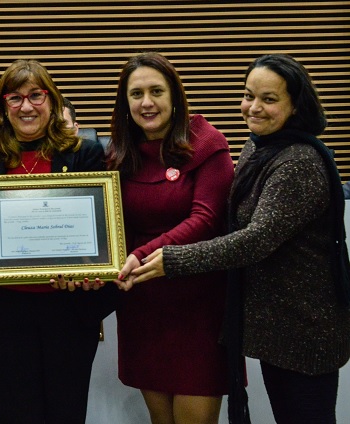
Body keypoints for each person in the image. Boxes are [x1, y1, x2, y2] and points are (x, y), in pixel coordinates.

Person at [125, 53, 350, 424]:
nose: (253, 107)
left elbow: (254, 240)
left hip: (306, 330)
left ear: (296, 106)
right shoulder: (260, 147)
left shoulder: (298, 161)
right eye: (248, 95)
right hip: (278, 327)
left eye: (269, 99)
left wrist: (172, 259)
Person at [0, 59, 116, 424]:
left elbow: (100, 228)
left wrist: (93, 268)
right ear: (2, 107)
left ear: (51, 100)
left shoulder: (84, 153)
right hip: (8, 312)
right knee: (17, 413)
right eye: (14, 98)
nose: (26, 106)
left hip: (69, 310)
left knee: (67, 410)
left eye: (35, 96)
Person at [107, 52, 234, 424]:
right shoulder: (118, 154)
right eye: (136, 94)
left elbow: (206, 219)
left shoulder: (207, 143)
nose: (146, 102)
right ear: (125, 102)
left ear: (175, 95)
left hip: (198, 308)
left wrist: (142, 254)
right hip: (144, 307)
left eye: (156, 91)